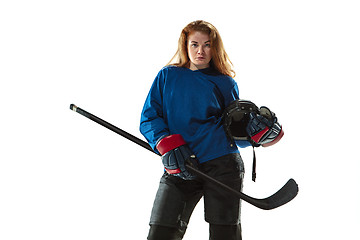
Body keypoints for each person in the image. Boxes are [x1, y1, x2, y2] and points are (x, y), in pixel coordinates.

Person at [139, 20, 282, 240]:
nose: (200, 51)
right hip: (181, 164)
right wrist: (166, 144)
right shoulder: (167, 76)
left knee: (224, 236)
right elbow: (148, 118)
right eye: (195, 44)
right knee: (160, 232)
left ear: (214, 48)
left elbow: (235, 134)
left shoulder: (225, 83)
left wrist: (258, 136)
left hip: (222, 166)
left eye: (207, 45)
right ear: (185, 45)